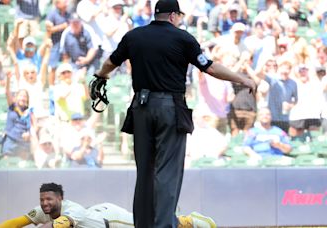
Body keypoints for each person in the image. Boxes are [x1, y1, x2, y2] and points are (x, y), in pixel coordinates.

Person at [93, 0, 257, 227]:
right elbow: (209, 67)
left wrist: (100, 76)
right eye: (178, 15)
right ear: (172, 16)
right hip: (170, 108)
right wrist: (241, 78)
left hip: (141, 108)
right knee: (167, 173)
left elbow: (111, 62)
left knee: (145, 174)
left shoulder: (134, 36)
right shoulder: (183, 38)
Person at [0, 182, 217, 228]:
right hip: (99, 216)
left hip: (112, 221)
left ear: (60, 199)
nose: (45, 203)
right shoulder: (45, 211)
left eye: (49, 199)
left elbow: (57, 226)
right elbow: (16, 222)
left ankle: (191, 220)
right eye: (42, 199)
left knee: (153, 225)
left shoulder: (71, 210)